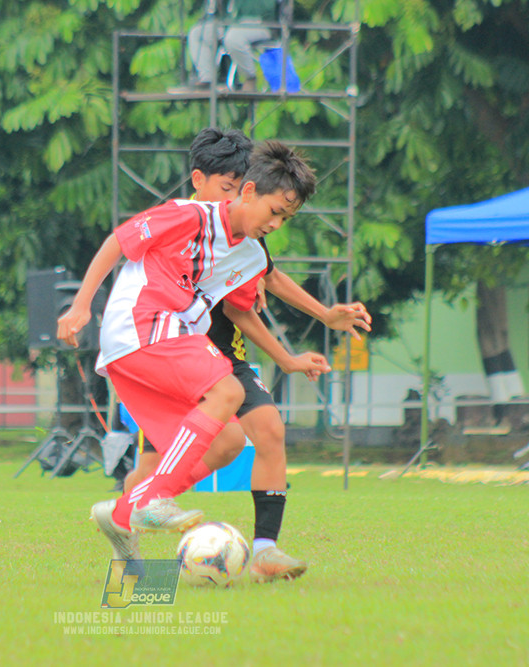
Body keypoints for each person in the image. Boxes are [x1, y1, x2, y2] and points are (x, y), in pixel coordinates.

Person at [120, 128, 372, 582]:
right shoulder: (182, 225)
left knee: (267, 430)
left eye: (241, 185)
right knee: (157, 459)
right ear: (199, 180)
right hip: (169, 345)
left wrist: (319, 319)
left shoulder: (245, 235)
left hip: (220, 348)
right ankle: (134, 544)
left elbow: (265, 280)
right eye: (227, 185)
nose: (235, 194)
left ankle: (264, 551)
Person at [57, 139, 317, 566]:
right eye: (274, 212)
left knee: (230, 440)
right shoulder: (190, 214)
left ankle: (126, 511)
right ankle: (153, 497)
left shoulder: (248, 250)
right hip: (144, 325)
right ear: (247, 192)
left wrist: (324, 317)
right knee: (228, 392)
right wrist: (82, 303)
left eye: (286, 218)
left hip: (152, 345)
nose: (277, 224)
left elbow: (270, 280)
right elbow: (118, 242)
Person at [187, 0, 275, 91]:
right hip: (231, 23)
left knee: (233, 37)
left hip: (260, 23)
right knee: (197, 33)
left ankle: (250, 77)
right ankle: (207, 79)